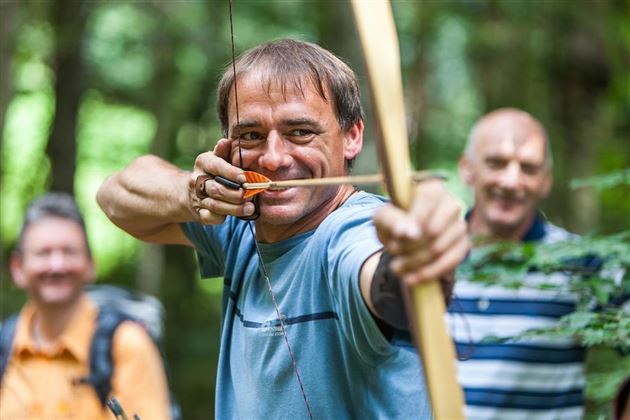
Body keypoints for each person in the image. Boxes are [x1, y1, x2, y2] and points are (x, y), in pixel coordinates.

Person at [97, 39, 470, 418]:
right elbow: (114, 195)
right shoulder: (238, 226)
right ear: (227, 144)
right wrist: (194, 192)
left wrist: (417, 261)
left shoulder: (350, 229)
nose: (273, 159)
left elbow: (384, 281)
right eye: (251, 135)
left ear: (352, 136)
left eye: (300, 132)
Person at [445, 108, 588, 419]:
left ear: (546, 181)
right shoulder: (432, 257)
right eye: (496, 163)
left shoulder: (580, 262)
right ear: (467, 169)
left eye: (528, 168)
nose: (511, 181)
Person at [0, 192, 171, 419]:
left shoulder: (127, 345)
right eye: (43, 253)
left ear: (91, 264)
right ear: (17, 267)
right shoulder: (5, 345)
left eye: (69, 252)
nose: (57, 265)